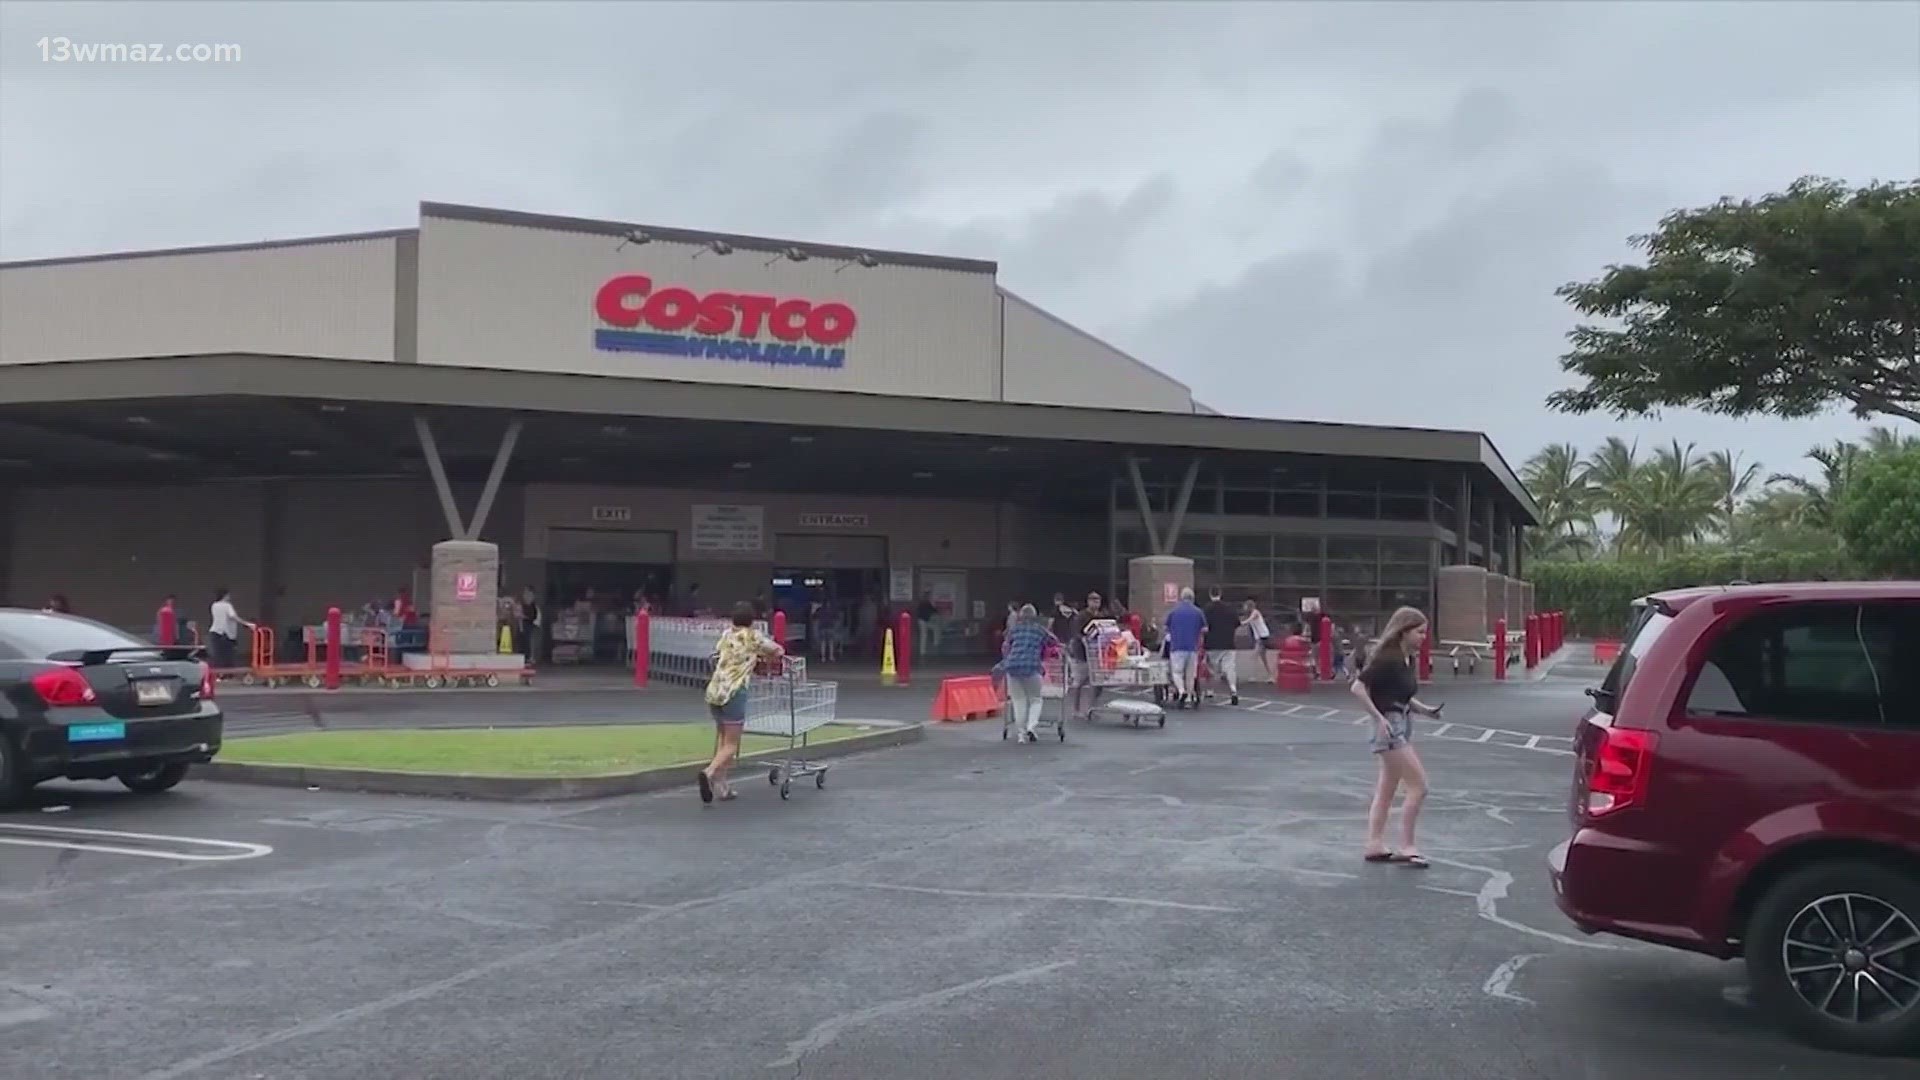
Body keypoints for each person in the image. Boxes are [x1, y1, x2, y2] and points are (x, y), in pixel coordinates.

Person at [1351, 606, 1443, 868]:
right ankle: (1407, 846)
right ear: (1403, 631)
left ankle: (1374, 843)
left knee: (1387, 788)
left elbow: (1399, 694)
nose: (1423, 637)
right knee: (1419, 786)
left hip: (1401, 720)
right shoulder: (1388, 658)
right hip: (1389, 727)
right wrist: (1378, 718)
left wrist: (1425, 710)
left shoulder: (1406, 659)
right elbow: (1358, 688)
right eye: (1419, 632)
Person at [699, 602, 784, 804]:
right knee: (731, 743)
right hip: (734, 691)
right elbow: (776, 650)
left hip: (715, 690)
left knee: (721, 738)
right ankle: (709, 772)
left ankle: (722, 786)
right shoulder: (753, 636)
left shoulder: (727, 635)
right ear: (752, 620)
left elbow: (721, 653)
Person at [999, 604, 1054, 743]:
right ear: (1035, 617)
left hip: (1013, 667)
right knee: (1035, 699)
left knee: (1018, 701)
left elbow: (1005, 646)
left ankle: (1021, 735)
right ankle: (1032, 726)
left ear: (1020, 616)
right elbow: (1054, 642)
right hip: (1032, 666)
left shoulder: (1014, 630)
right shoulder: (1040, 630)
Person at [1163, 587, 1206, 709]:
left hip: (1177, 646)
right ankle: (1188, 698)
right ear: (1192, 598)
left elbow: (1166, 628)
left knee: (1176, 672)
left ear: (1181, 598)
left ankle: (1181, 691)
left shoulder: (1174, 611)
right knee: (1190, 674)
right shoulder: (1198, 612)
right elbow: (1204, 629)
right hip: (1192, 647)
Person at [1202, 587, 1242, 706]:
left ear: (1210, 595)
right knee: (1230, 668)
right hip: (1229, 643)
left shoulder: (1206, 609)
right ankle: (1233, 691)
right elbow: (1237, 623)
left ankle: (1210, 691)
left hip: (1212, 644)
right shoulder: (1229, 608)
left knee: (1211, 669)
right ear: (1220, 594)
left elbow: (1203, 626)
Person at [207, 587, 253, 671]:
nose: (229, 597)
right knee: (228, 654)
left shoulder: (214, 605)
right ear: (225, 596)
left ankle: (218, 674)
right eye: (228, 595)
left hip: (214, 632)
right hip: (225, 633)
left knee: (218, 654)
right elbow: (233, 616)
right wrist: (247, 623)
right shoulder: (227, 605)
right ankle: (227, 674)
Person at [1243, 599, 1273, 680]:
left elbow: (1249, 620)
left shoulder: (1255, 612)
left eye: (1245, 606)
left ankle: (1254, 676)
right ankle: (1271, 676)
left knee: (1254, 656)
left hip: (1263, 636)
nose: (1244, 608)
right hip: (1259, 637)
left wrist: (1242, 623)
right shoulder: (1250, 614)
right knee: (1263, 658)